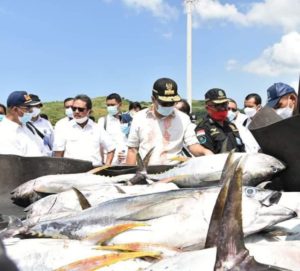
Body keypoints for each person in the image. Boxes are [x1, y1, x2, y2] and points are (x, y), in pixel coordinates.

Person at [126, 77, 212, 165]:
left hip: (173, 172)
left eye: (172, 103)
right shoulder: (139, 118)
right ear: (153, 99)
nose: (168, 106)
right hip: (145, 172)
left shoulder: (183, 119)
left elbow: (193, 145)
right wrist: (130, 174)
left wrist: (205, 152)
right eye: (164, 103)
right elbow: (132, 150)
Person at [53, 94, 115, 166]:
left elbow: (111, 148)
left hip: (93, 172)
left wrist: (106, 166)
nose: (76, 111)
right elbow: (58, 154)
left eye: (81, 109)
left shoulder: (97, 128)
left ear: (89, 111)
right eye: (74, 108)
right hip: (71, 172)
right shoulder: (64, 128)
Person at [195, 88, 245, 154]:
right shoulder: (203, 128)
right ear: (207, 107)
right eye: (217, 105)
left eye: (224, 104)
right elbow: (207, 156)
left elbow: (241, 148)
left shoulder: (231, 125)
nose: (222, 108)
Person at [0, 91, 46, 156]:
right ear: (15, 109)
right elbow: (14, 162)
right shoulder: (3, 132)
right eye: (28, 108)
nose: (31, 111)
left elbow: (41, 149)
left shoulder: (28, 126)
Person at [98, 93, 130, 165]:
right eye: (108, 105)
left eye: (112, 105)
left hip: (125, 163)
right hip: (109, 163)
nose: (110, 107)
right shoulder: (103, 121)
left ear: (120, 104)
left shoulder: (127, 120)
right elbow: (100, 144)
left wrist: (127, 154)